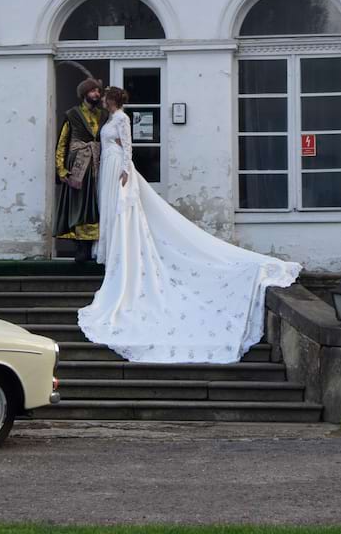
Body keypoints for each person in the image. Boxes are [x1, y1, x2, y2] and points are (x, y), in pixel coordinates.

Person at [79, 86, 301, 364]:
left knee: (122, 210)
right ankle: (110, 248)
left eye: (106, 97)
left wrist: (125, 171)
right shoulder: (110, 118)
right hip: (108, 165)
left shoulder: (122, 119)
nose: (103, 100)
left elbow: (128, 147)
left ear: (113, 100)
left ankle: (119, 250)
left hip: (117, 167)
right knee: (110, 210)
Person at [54, 77, 106, 263]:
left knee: (96, 205)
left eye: (98, 91)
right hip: (78, 167)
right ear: (84, 94)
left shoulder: (103, 115)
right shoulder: (72, 115)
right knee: (78, 205)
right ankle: (81, 247)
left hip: (98, 166)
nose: (96, 94)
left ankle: (93, 247)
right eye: (92, 91)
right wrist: (61, 169)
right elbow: (62, 143)